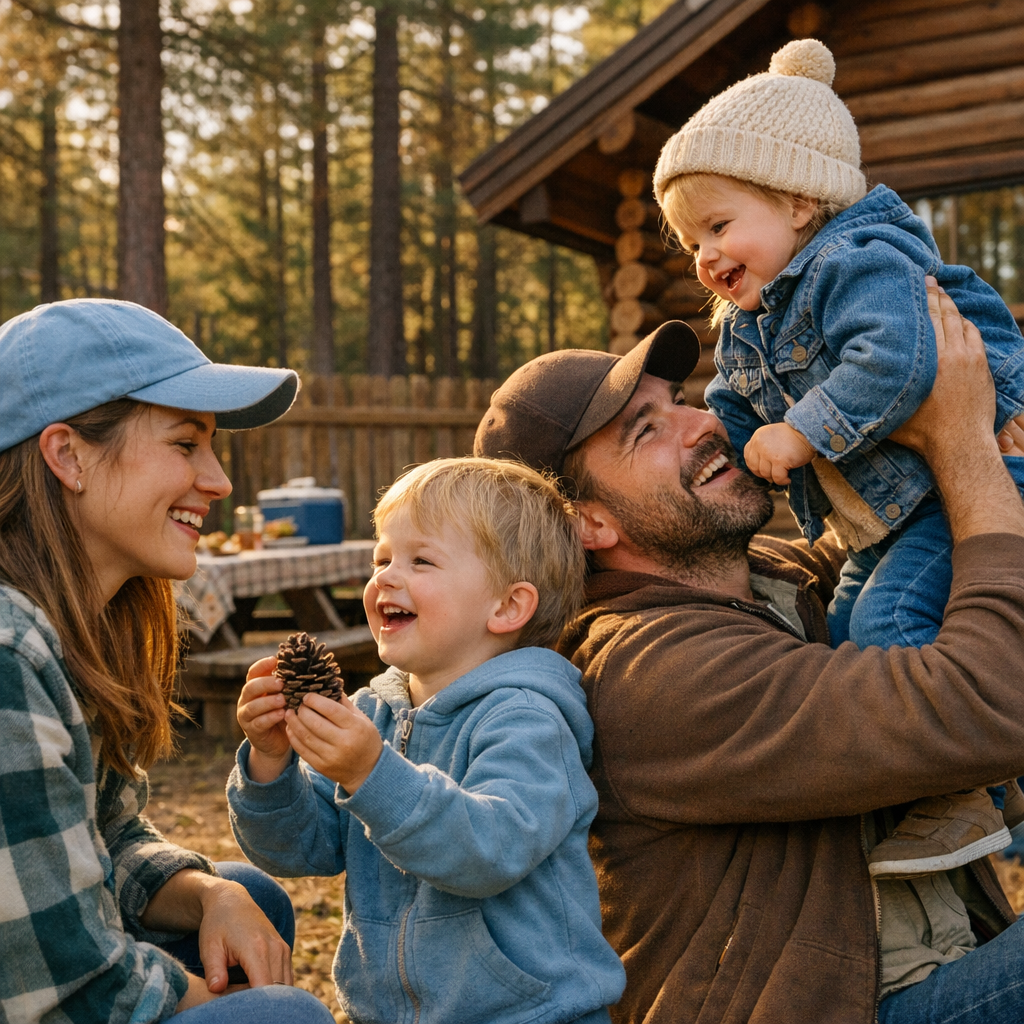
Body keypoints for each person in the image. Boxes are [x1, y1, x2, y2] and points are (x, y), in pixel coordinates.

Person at [473, 288, 1024, 1024]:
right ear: (587, 523)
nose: (704, 423)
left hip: (936, 969)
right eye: (647, 430)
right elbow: (988, 701)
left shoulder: (772, 582)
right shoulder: (649, 670)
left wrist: (969, 439)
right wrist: (965, 450)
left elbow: (927, 551)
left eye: (682, 401)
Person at [651, 39, 1024, 878]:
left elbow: (894, 360)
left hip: (968, 478)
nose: (705, 256)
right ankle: (997, 780)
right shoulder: (751, 315)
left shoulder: (857, 263)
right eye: (688, 242)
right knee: (857, 633)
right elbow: (735, 405)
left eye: (718, 225)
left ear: (800, 202)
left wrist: (804, 432)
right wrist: (737, 450)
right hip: (893, 510)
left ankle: (956, 796)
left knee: (893, 629)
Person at [0, 299, 335, 1024]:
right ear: (67, 456)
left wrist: (215, 895)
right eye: (186, 445)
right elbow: (69, 980)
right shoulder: (5, 654)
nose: (217, 482)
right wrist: (265, 1005)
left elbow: (108, 836)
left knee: (252, 897)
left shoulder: (81, 627)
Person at [228, 457, 627, 1024]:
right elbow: (299, 849)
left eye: (422, 561)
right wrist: (271, 767)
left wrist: (372, 774)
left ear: (508, 606)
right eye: (382, 558)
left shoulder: (528, 717)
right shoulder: (372, 712)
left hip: (530, 1014)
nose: (385, 577)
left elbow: (489, 851)